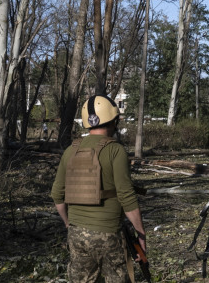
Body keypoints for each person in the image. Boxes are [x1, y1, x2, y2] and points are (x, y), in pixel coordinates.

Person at [52, 95, 147, 283]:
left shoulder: (71, 150)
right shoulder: (115, 150)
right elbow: (127, 198)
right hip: (109, 234)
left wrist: (68, 223)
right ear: (113, 120)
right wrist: (141, 235)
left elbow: (57, 195)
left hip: (77, 233)